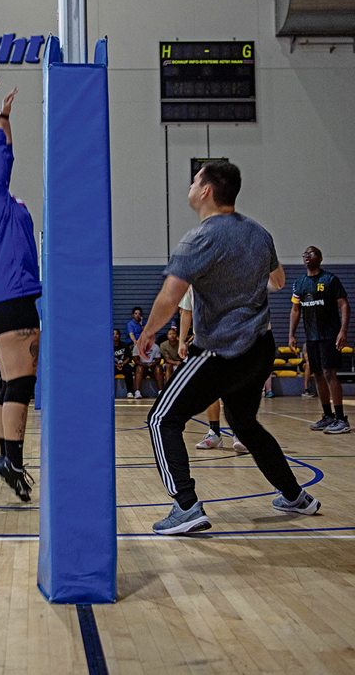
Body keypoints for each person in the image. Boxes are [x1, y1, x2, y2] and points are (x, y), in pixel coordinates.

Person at [139, 161, 320, 535]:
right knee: (244, 424)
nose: (191, 186)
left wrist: (148, 333)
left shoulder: (199, 238)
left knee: (161, 419)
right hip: (259, 349)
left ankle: (186, 507)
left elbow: (171, 296)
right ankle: (295, 496)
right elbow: (278, 281)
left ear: (206, 191)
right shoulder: (259, 233)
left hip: (220, 352)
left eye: (194, 181)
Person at [0, 80, 42, 503]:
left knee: (11, 383)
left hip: (0, 298)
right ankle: (11, 460)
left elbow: (6, 151)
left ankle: (7, 459)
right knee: (20, 383)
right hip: (10, 295)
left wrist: (5, 115)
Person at [179, 284, 248, 454]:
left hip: (229, 340)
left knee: (232, 390)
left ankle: (239, 434)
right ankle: (214, 433)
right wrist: (181, 341)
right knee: (210, 390)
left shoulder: (227, 280)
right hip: (203, 343)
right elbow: (186, 313)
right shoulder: (191, 284)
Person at [289, 246, 350, 433]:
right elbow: (295, 310)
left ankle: (341, 419)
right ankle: (328, 416)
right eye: (305, 254)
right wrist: (291, 334)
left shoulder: (330, 279)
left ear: (320, 258)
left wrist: (343, 331)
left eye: (311, 253)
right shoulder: (299, 283)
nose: (307, 255)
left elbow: (344, 305)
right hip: (311, 337)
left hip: (330, 335)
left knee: (330, 373)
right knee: (318, 375)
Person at [113, 329, 135, 398]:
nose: (115, 335)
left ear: (119, 336)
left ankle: (129, 392)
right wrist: (115, 365)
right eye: (113, 334)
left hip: (123, 364)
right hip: (113, 365)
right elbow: (107, 359)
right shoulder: (108, 346)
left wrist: (122, 364)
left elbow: (128, 357)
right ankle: (109, 392)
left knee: (128, 370)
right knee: (108, 371)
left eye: (117, 334)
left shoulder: (124, 345)